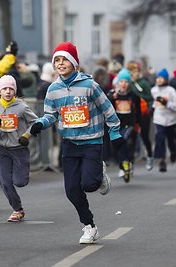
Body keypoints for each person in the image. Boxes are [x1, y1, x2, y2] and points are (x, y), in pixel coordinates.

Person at [29, 41, 123, 244]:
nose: (60, 63)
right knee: (72, 190)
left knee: (89, 184)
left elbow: (107, 108)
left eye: (64, 59)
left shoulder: (90, 85)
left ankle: (99, 175)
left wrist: (115, 131)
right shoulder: (53, 89)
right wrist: (40, 124)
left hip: (92, 142)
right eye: (57, 60)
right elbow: (51, 115)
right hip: (69, 144)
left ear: (74, 62)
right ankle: (89, 226)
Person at [0, 75, 38, 222]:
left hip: (19, 148)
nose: (8, 91)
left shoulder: (22, 107)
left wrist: (27, 136)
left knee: (20, 181)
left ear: (15, 91)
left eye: (11, 89)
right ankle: (17, 209)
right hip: (2, 148)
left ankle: (15, 177)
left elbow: (36, 123)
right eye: (4, 89)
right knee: (5, 181)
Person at [107, 68, 141, 183]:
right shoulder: (113, 95)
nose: (123, 84)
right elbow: (106, 106)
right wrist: (112, 97)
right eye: (121, 82)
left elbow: (139, 111)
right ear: (118, 83)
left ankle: (127, 163)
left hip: (129, 124)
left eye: (126, 82)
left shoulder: (133, 96)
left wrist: (138, 124)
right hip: (116, 125)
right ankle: (124, 164)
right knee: (117, 145)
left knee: (124, 141)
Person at [151, 68, 176, 172]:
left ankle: (173, 151)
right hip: (159, 119)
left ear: (166, 79)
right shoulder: (154, 90)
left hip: (170, 120)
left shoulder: (171, 91)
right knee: (160, 137)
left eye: (161, 78)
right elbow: (153, 103)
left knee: (170, 140)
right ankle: (162, 160)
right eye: (158, 78)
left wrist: (167, 104)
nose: (159, 80)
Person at [126, 61, 154, 171]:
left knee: (144, 136)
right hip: (132, 114)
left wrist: (139, 94)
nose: (135, 73)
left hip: (143, 113)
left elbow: (149, 97)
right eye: (133, 71)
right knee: (131, 137)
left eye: (137, 71)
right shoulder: (128, 84)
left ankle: (150, 156)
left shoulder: (143, 83)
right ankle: (130, 163)